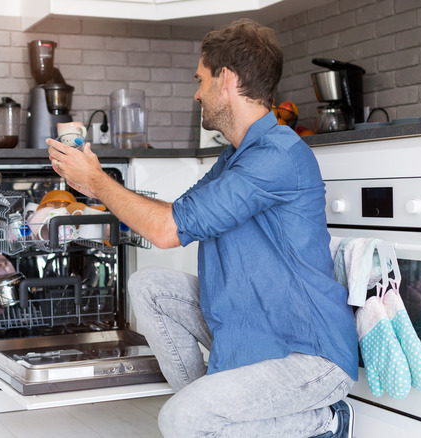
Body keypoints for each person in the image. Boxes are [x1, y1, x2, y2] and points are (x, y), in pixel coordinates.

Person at [47, 18, 358, 438]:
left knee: (182, 418)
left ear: (225, 79)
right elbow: (177, 213)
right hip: (254, 335)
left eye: (201, 79)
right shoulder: (235, 156)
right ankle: (213, 413)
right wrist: (98, 186)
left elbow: (166, 230)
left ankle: (326, 422)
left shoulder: (276, 156)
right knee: (149, 287)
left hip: (308, 354)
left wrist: (98, 182)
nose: (197, 92)